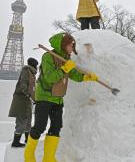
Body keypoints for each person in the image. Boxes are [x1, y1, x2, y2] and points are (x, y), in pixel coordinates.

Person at [24, 32, 99, 162]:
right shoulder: (48, 56)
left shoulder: (66, 59)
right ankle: (28, 155)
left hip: (57, 98)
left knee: (56, 127)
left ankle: (49, 158)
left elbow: (74, 74)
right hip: (44, 97)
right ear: (63, 45)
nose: (72, 48)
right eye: (70, 45)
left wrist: (86, 77)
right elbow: (50, 77)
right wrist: (64, 69)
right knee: (40, 127)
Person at [9, 58, 38, 148]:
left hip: (27, 100)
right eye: (36, 64)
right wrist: (29, 95)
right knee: (21, 121)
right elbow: (23, 85)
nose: (36, 66)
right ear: (33, 64)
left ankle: (27, 139)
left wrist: (33, 98)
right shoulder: (26, 71)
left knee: (28, 121)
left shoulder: (32, 73)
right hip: (21, 100)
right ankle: (15, 142)